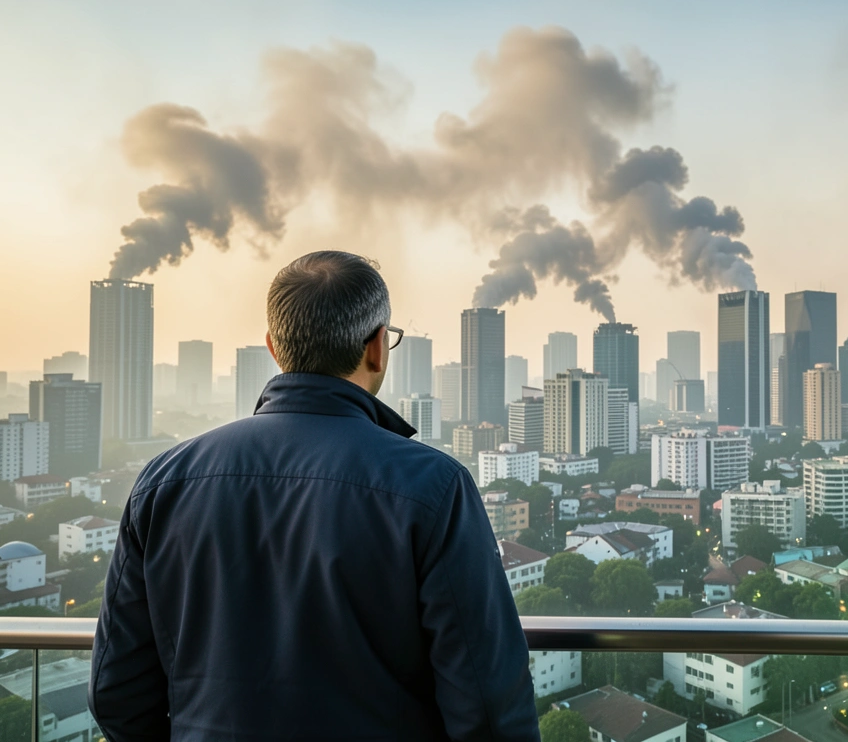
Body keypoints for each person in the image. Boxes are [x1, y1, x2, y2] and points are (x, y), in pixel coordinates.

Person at [89, 251, 540, 741]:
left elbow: (117, 692)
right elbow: (488, 708)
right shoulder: (433, 487)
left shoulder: (164, 482)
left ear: (274, 348)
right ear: (377, 348)